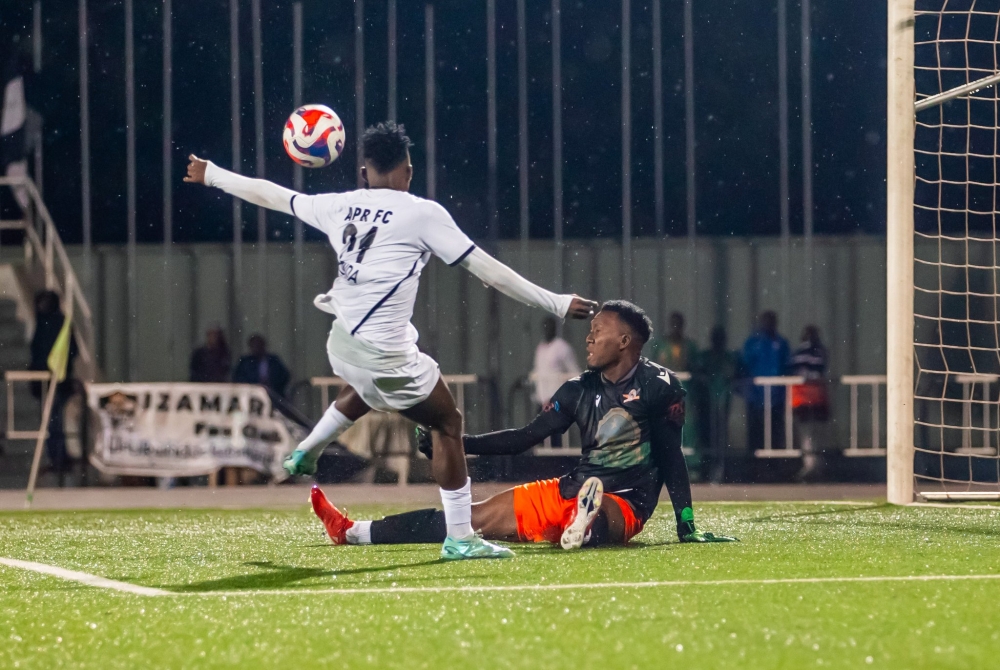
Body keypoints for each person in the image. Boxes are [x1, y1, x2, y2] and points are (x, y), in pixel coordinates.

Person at [185, 121, 596, 560]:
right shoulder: (422, 213)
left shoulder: (338, 204)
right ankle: (461, 537)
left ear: (363, 172)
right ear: (409, 171)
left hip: (341, 344)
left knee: (368, 385)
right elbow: (488, 270)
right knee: (447, 422)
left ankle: (307, 449)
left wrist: (213, 174)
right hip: (383, 354)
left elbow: (274, 195)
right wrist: (555, 302)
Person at [311, 302, 737, 549]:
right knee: (470, 519)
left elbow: (670, 457)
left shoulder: (661, 386)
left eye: (598, 331)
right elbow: (525, 438)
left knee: (600, 517)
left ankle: (583, 525)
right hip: (571, 488)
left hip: (626, 502)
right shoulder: (576, 389)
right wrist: (457, 441)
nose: (588, 338)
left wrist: (686, 523)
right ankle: (353, 532)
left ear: (625, 341)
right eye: (589, 331)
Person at [28, 290, 77, 477]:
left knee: (53, 422)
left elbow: (69, 351)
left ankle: (59, 459)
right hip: (49, 380)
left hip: (57, 380)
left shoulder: (55, 323)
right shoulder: (45, 323)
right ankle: (58, 458)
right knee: (52, 422)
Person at [692, 325, 741, 483]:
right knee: (706, 435)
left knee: (721, 435)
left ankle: (721, 469)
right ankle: (705, 468)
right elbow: (697, 373)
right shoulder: (705, 356)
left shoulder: (729, 357)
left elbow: (734, 373)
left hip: (722, 402)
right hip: (706, 403)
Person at [651, 312, 699, 465]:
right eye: (673, 323)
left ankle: (691, 464)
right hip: (664, 390)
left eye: (679, 324)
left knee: (687, 425)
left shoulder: (689, 346)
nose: (676, 327)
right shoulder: (660, 345)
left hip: (684, 390)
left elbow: (695, 368)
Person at [741, 311, 791, 457]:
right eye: (766, 321)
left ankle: (774, 463)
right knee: (756, 432)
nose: (768, 325)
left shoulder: (781, 343)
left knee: (776, 431)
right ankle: (755, 463)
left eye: (771, 322)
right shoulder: (753, 343)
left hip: (776, 397)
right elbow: (744, 364)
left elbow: (787, 366)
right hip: (756, 397)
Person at [531, 316, 581, 447]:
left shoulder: (562, 347)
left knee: (556, 437)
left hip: (556, 400)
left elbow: (574, 371)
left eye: (550, 327)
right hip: (541, 400)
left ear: (555, 328)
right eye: (545, 327)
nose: (547, 330)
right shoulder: (540, 348)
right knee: (540, 437)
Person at [790, 325, 830, 481]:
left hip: (803, 399)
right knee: (814, 433)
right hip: (815, 398)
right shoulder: (820, 352)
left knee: (807, 434)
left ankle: (811, 464)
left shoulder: (799, 353)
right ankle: (814, 465)